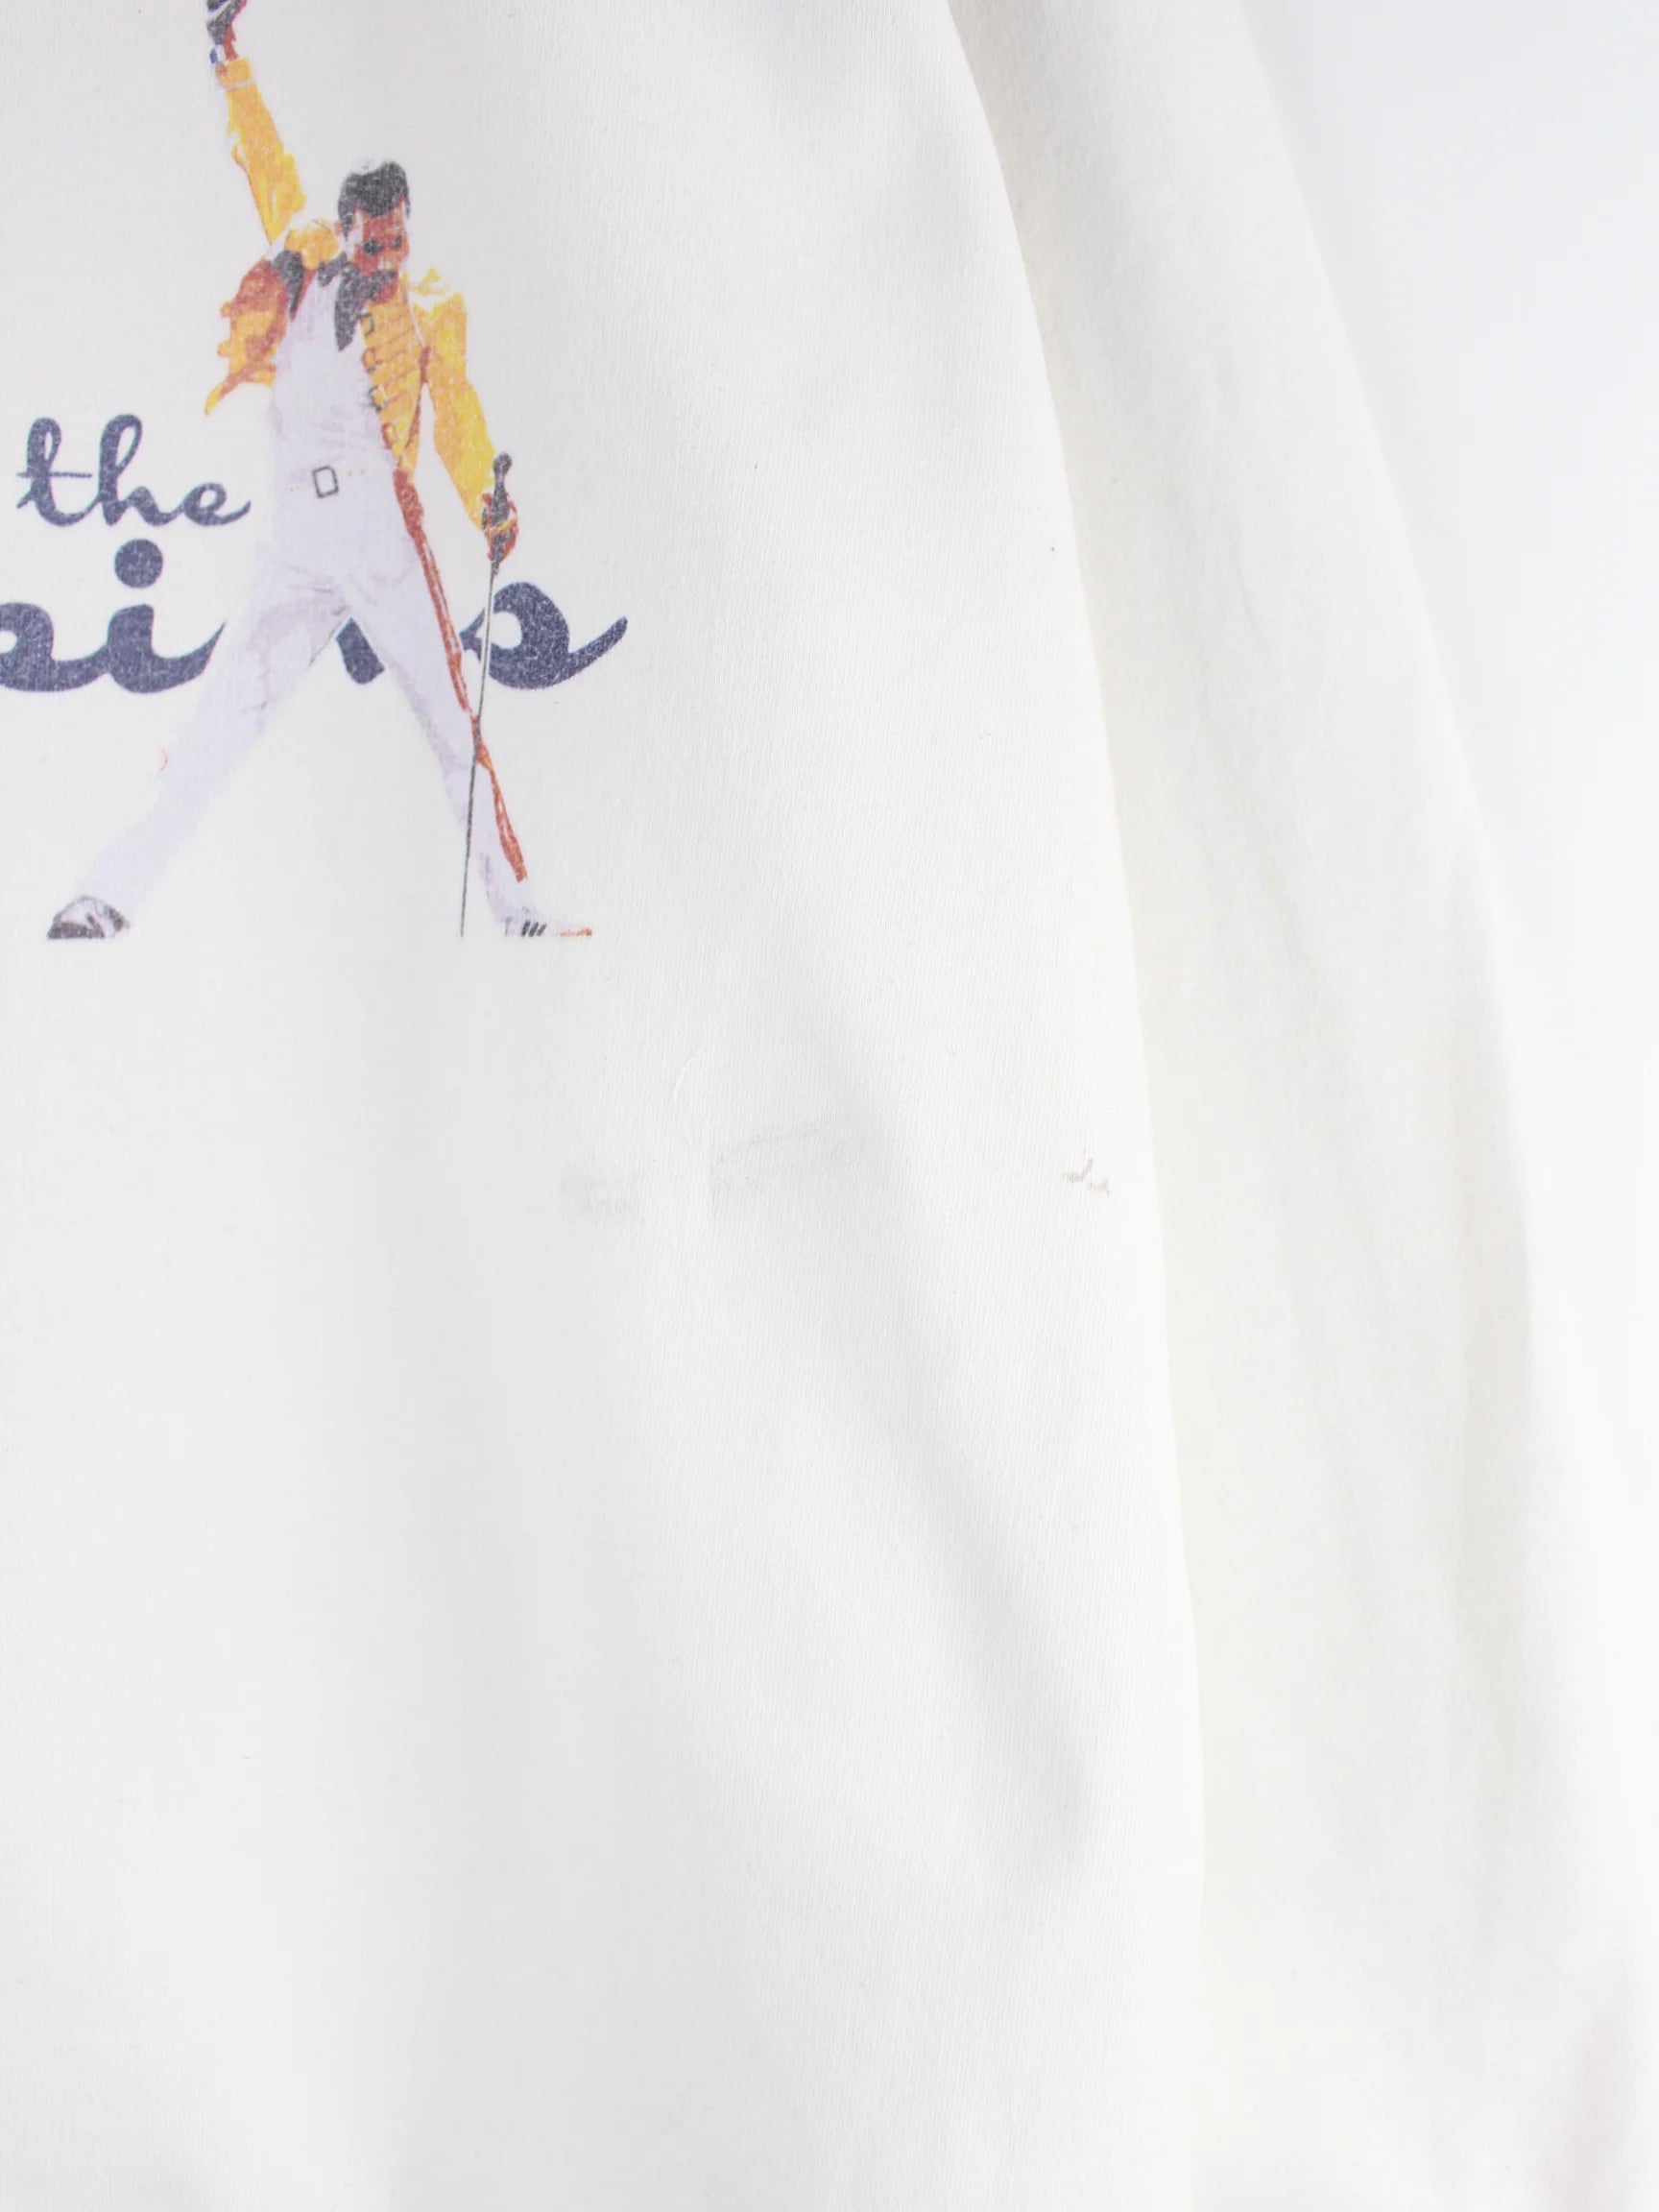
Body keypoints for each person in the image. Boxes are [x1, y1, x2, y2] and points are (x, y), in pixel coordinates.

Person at [47, 0, 570, 939]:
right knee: (220, 720)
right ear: (345, 226)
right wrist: (226, 54)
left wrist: (487, 501)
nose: (387, 259)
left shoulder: (432, 304)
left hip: (380, 528)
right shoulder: (300, 254)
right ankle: (106, 897)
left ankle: (519, 908)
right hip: (297, 536)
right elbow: (260, 150)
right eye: (373, 242)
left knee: (451, 720)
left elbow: (456, 415)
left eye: (398, 241)